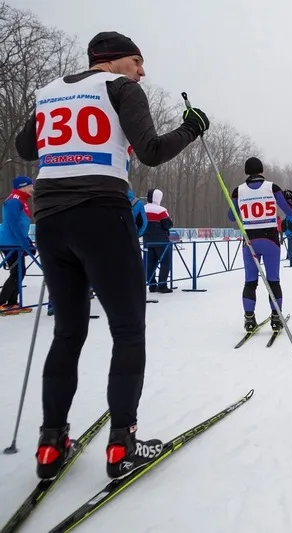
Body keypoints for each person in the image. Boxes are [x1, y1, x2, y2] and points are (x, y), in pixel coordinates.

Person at [14, 30, 210, 480]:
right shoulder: (121, 89)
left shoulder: (48, 92)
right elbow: (153, 152)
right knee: (128, 330)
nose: (143, 73)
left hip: (51, 221)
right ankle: (122, 443)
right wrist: (191, 128)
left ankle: (50, 442)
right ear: (116, 61)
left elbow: (27, 149)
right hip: (102, 214)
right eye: (138, 62)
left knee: (67, 333)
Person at [229, 157, 292, 331]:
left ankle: (249, 319)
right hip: (270, 240)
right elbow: (290, 212)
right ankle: (276, 318)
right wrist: (289, 198)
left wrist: (233, 201)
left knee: (250, 282)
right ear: (261, 171)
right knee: (273, 281)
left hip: (250, 241)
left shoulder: (239, 191)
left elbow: (231, 216)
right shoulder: (272, 187)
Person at [0, 176, 35, 315]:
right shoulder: (14, 201)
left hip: (15, 241)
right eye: (30, 186)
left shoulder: (21, 199)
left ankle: (12, 303)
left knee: (19, 271)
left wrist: (27, 241)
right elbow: (12, 224)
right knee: (17, 272)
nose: (32, 188)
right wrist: (24, 243)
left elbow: (20, 225)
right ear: (23, 186)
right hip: (10, 242)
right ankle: (2, 302)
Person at [143, 188, 174, 293]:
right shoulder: (161, 210)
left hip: (147, 241)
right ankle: (162, 285)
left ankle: (152, 285)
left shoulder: (143, 209)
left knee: (150, 263)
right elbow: (168, 225)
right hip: (162, 241)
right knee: (165, 263)